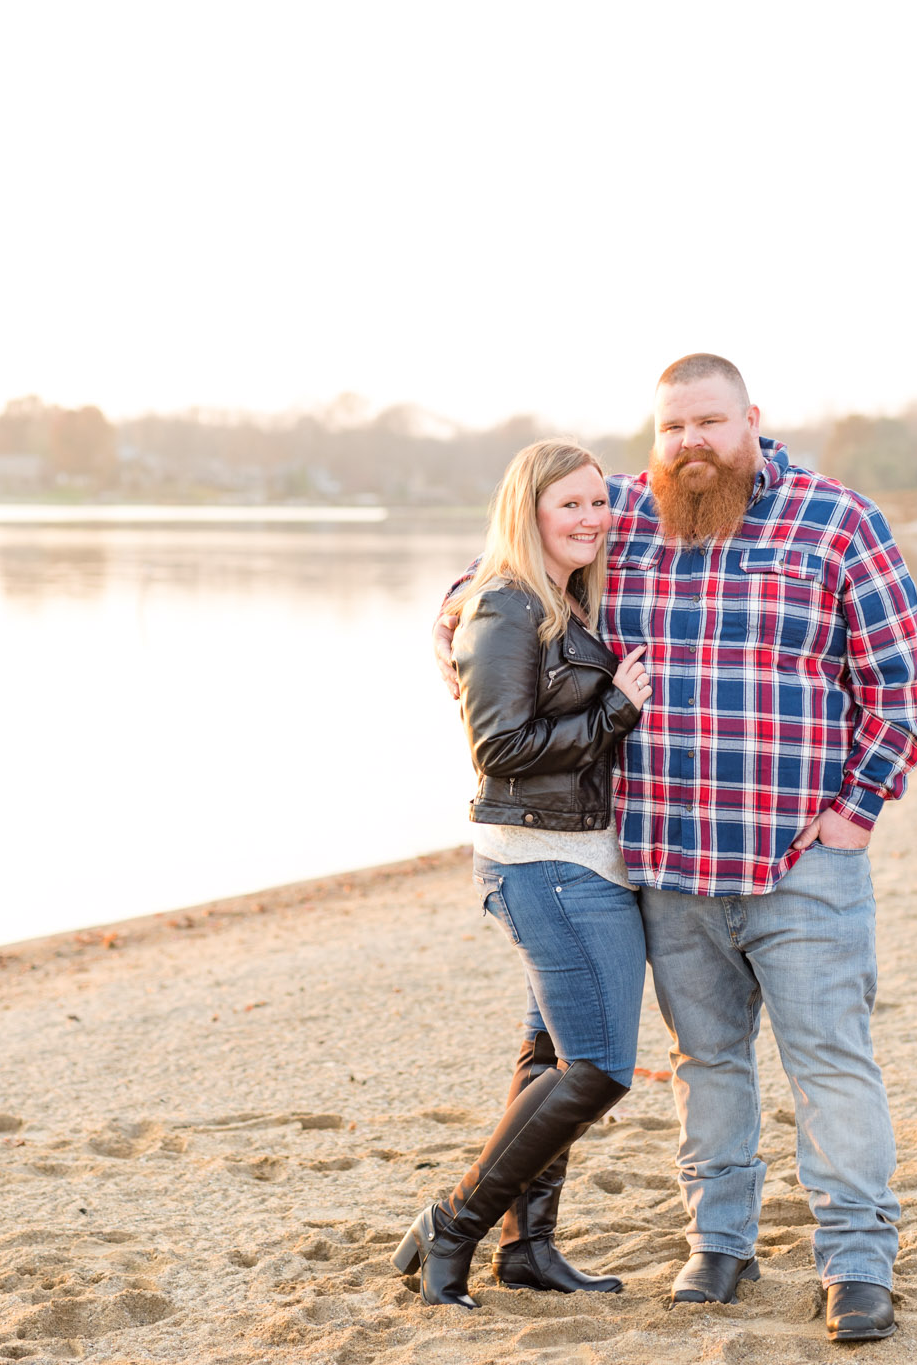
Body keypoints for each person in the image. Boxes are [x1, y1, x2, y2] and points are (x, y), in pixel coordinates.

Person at [433, 356, 917, 1343]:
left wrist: (852, 815)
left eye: (708, 421)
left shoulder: (834, 523)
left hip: (799, 864)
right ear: (652, 437)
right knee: (706, 1060)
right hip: (660, 865)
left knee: (829, 1059)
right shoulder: (623, 512)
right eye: (671, 428)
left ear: (751, 420)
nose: (689, 442)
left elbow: (897, 695)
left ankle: (857, 1260)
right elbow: (497, 571)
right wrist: (458, 627)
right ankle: (719, 1243)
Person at [392, 439, 655, 1309]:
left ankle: (529, 1247)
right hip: (544, 861)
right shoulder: (505, 603)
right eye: (568, 504)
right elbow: (497, 746)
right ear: (529, 510)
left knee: (548, 1054)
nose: (589, 518)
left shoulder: (561, 596)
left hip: (581, 854)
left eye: (598, 503)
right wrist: (617, 709)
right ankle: (455, 1222)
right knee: (600, 1067)